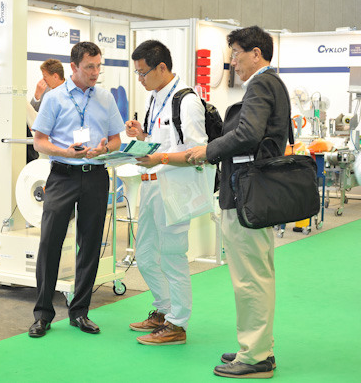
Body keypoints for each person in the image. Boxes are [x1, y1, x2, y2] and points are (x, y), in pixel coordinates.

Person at [186, 26, 290, 378]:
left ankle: (256, 356)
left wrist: (208, 150)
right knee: (255, 274)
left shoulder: (261, 84)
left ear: (256, 53)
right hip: (255, 190)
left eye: (235, 54)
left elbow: (248, 134)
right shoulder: (273, 83)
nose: (232, 62)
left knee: (250, 279)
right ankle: (257, 347)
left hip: (247, 192)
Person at [28, 42, 125, 338]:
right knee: (50, 243)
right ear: (74, 67)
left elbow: (116, 140)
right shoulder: (54, 98)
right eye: (89, 67)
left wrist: (104, 149)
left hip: (96, 176)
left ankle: (80, 312)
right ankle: (43, 314)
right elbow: (39, 141)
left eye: (98, 66)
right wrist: (65, 152)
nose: (95, 73)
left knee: (90, 244)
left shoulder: (105, 98)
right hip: (62, 175)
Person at [124, 40, 207, 345]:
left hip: (174, 188)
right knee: (145, 255)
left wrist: (159, 158)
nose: (139, 79)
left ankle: (177, 324)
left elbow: (197, 153)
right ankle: (163, 309)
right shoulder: (155, 98)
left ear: (161, 67)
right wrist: (141, 135)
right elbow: (161, 142)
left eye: (143, 72)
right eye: (137, 73)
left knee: (172, 256)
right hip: (150, 185)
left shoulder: (187, 101)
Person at [27, 59, 65, 162]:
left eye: (45, 76)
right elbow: (31, 114)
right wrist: (37, 95)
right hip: (44, 140)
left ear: (55, 76)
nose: (43, 80)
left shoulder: (70, 92)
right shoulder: (45, 90)